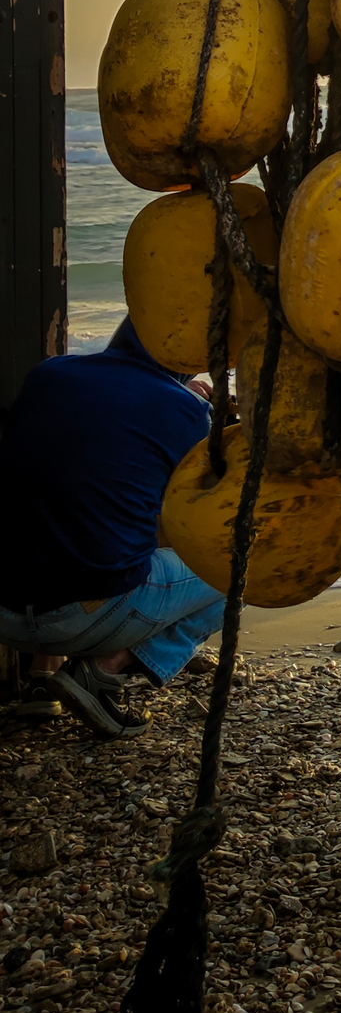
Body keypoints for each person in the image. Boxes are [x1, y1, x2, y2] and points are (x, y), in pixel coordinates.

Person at [0, 316, 224, 737]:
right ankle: (104, 672)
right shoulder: (184, 409)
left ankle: (40, 681)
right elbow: (192, 517)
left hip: (6, 612)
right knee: (236, 565)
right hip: (78, 618)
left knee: (65, 503)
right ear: (186, 362)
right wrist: (203, 417)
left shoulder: (48, 375)